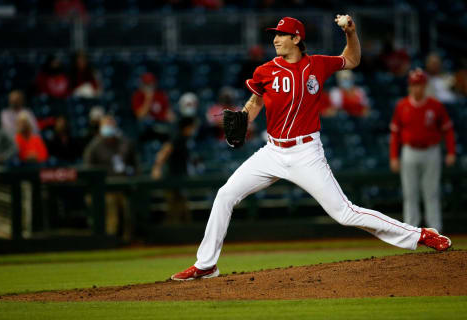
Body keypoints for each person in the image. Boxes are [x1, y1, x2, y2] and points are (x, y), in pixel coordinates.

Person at [171, 16, 452, 281]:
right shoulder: (264, 70)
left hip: (306, 152)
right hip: (272, 152)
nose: (276, 39)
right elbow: (255, 103)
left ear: (296, 38)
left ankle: (420, 235)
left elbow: (352, 59)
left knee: (344, 213)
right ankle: (206, 265)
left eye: (281, 34)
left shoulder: (317, 64)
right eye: (274, 35)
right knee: (225, 194)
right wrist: (243, 121)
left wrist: (350, 33)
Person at [389, 68, 456, 233]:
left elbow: (447, 130)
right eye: (413, 85)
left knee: (431, 193)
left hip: (431, 151)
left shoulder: (435, 105)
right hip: (409, 151)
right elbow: (395, 134)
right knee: (410, 193)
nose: (416, 88)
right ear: (409, 87)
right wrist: (394, 156)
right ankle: (411, 231)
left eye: (419, 84)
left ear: (424, 86)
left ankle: (435, 230)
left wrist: (451, 151)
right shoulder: (402, 105)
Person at [83, 115, 139, 239]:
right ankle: (109, 240)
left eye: (111, 125)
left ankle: (128, 240)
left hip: (124, 186)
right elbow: (89, 170)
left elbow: (135, 164)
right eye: (106, 125)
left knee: (128, 212)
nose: (109, 127)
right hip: (105, 189)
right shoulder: (94, 147)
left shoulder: (124, 143)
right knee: (111, 214)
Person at [151, 116, 198, 224]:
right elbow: (163, 152)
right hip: (172, 178)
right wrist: (156, 168)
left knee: (182, 208)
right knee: (174, 208)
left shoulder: (185, 139)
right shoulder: (178, 137)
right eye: (193, 127)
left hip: (180, 178)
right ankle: (170, 236)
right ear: (187, 127)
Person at [131, 72, 174, 142]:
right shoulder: (137, 96)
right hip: (147, 130)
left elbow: (168, 113)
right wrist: (148, 99)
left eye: (151, 84)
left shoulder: (160, 95)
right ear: (142, 85)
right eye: (147, 84)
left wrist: (171, 117)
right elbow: (140, 116)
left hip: (161, 126)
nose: (149, 86)